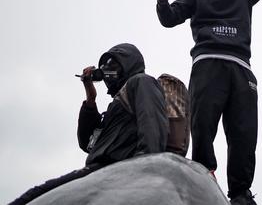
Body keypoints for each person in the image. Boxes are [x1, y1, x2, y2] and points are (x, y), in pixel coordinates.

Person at [156, 0, 262, 204]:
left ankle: (240, 193)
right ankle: (203, 177)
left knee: (244, 134)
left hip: (241, 69)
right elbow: (168, 18)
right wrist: (162, 0)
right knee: (202, 127)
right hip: (207, 64)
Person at [11, 43, 168, 205]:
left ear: (128, 63)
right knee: (34, 196)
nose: (107, 70)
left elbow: (152, 124)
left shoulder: (141, 82)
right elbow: (87, 143)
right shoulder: (117, 105)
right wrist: (90, 99)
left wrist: (141, 170)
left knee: (35, 195)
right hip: (99, 169)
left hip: (118, 168)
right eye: (104, 66)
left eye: (113, 64)